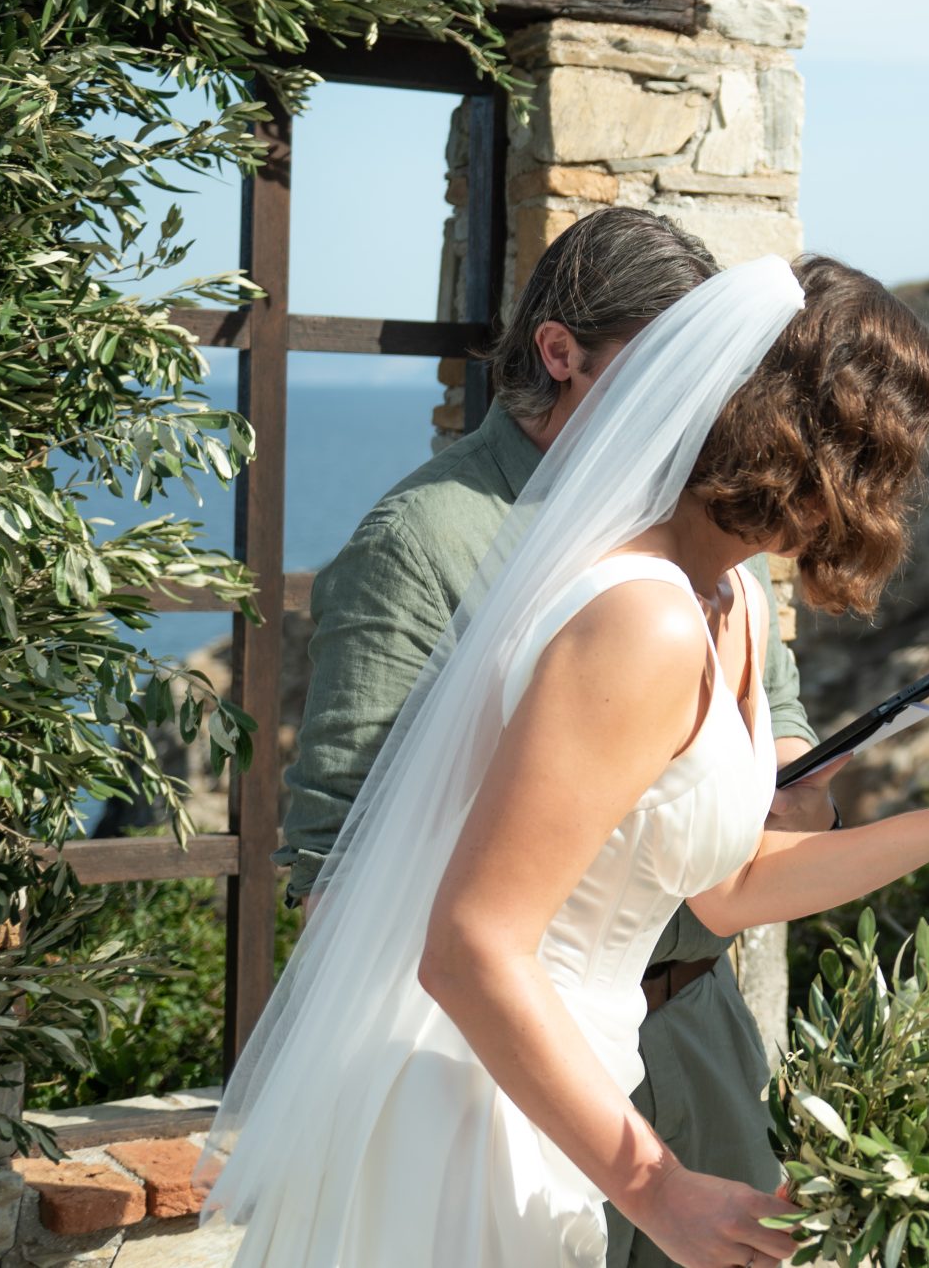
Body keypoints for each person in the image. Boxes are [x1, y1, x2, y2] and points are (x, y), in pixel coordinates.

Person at [208, 255, 929, 1268]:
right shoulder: (640, 619)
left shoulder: (729, 601)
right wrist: (657, 1185)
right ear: (814, 446)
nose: (890, 498)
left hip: (579, 1087)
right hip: (476, 1105)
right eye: (883, 460)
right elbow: (469, 943)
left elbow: (729, 885)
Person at [276, 208, 831, 1268]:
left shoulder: (716, 531)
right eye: (670, 365)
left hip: (700, 1033)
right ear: (559, 352)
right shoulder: (423, 542)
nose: (703, 405)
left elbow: (783, 747)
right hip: (496, 1075)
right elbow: (336, 866)